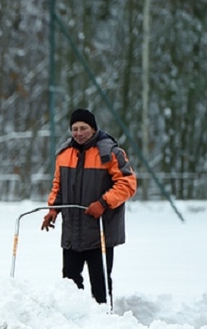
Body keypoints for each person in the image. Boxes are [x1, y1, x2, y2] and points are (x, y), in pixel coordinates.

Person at [41, 108, 137, 305]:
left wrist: (103, 203)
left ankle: (104, 318)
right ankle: (73, 319)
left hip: (99, 230)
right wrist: (53, 209)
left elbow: (127, 184)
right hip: (72, 231)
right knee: (69, 282)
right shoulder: (64, 153)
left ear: (93, 129)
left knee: (100, 282)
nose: (78, 133)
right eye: (74, 128)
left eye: (83, 128)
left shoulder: (110, 153)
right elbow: (58, 185)